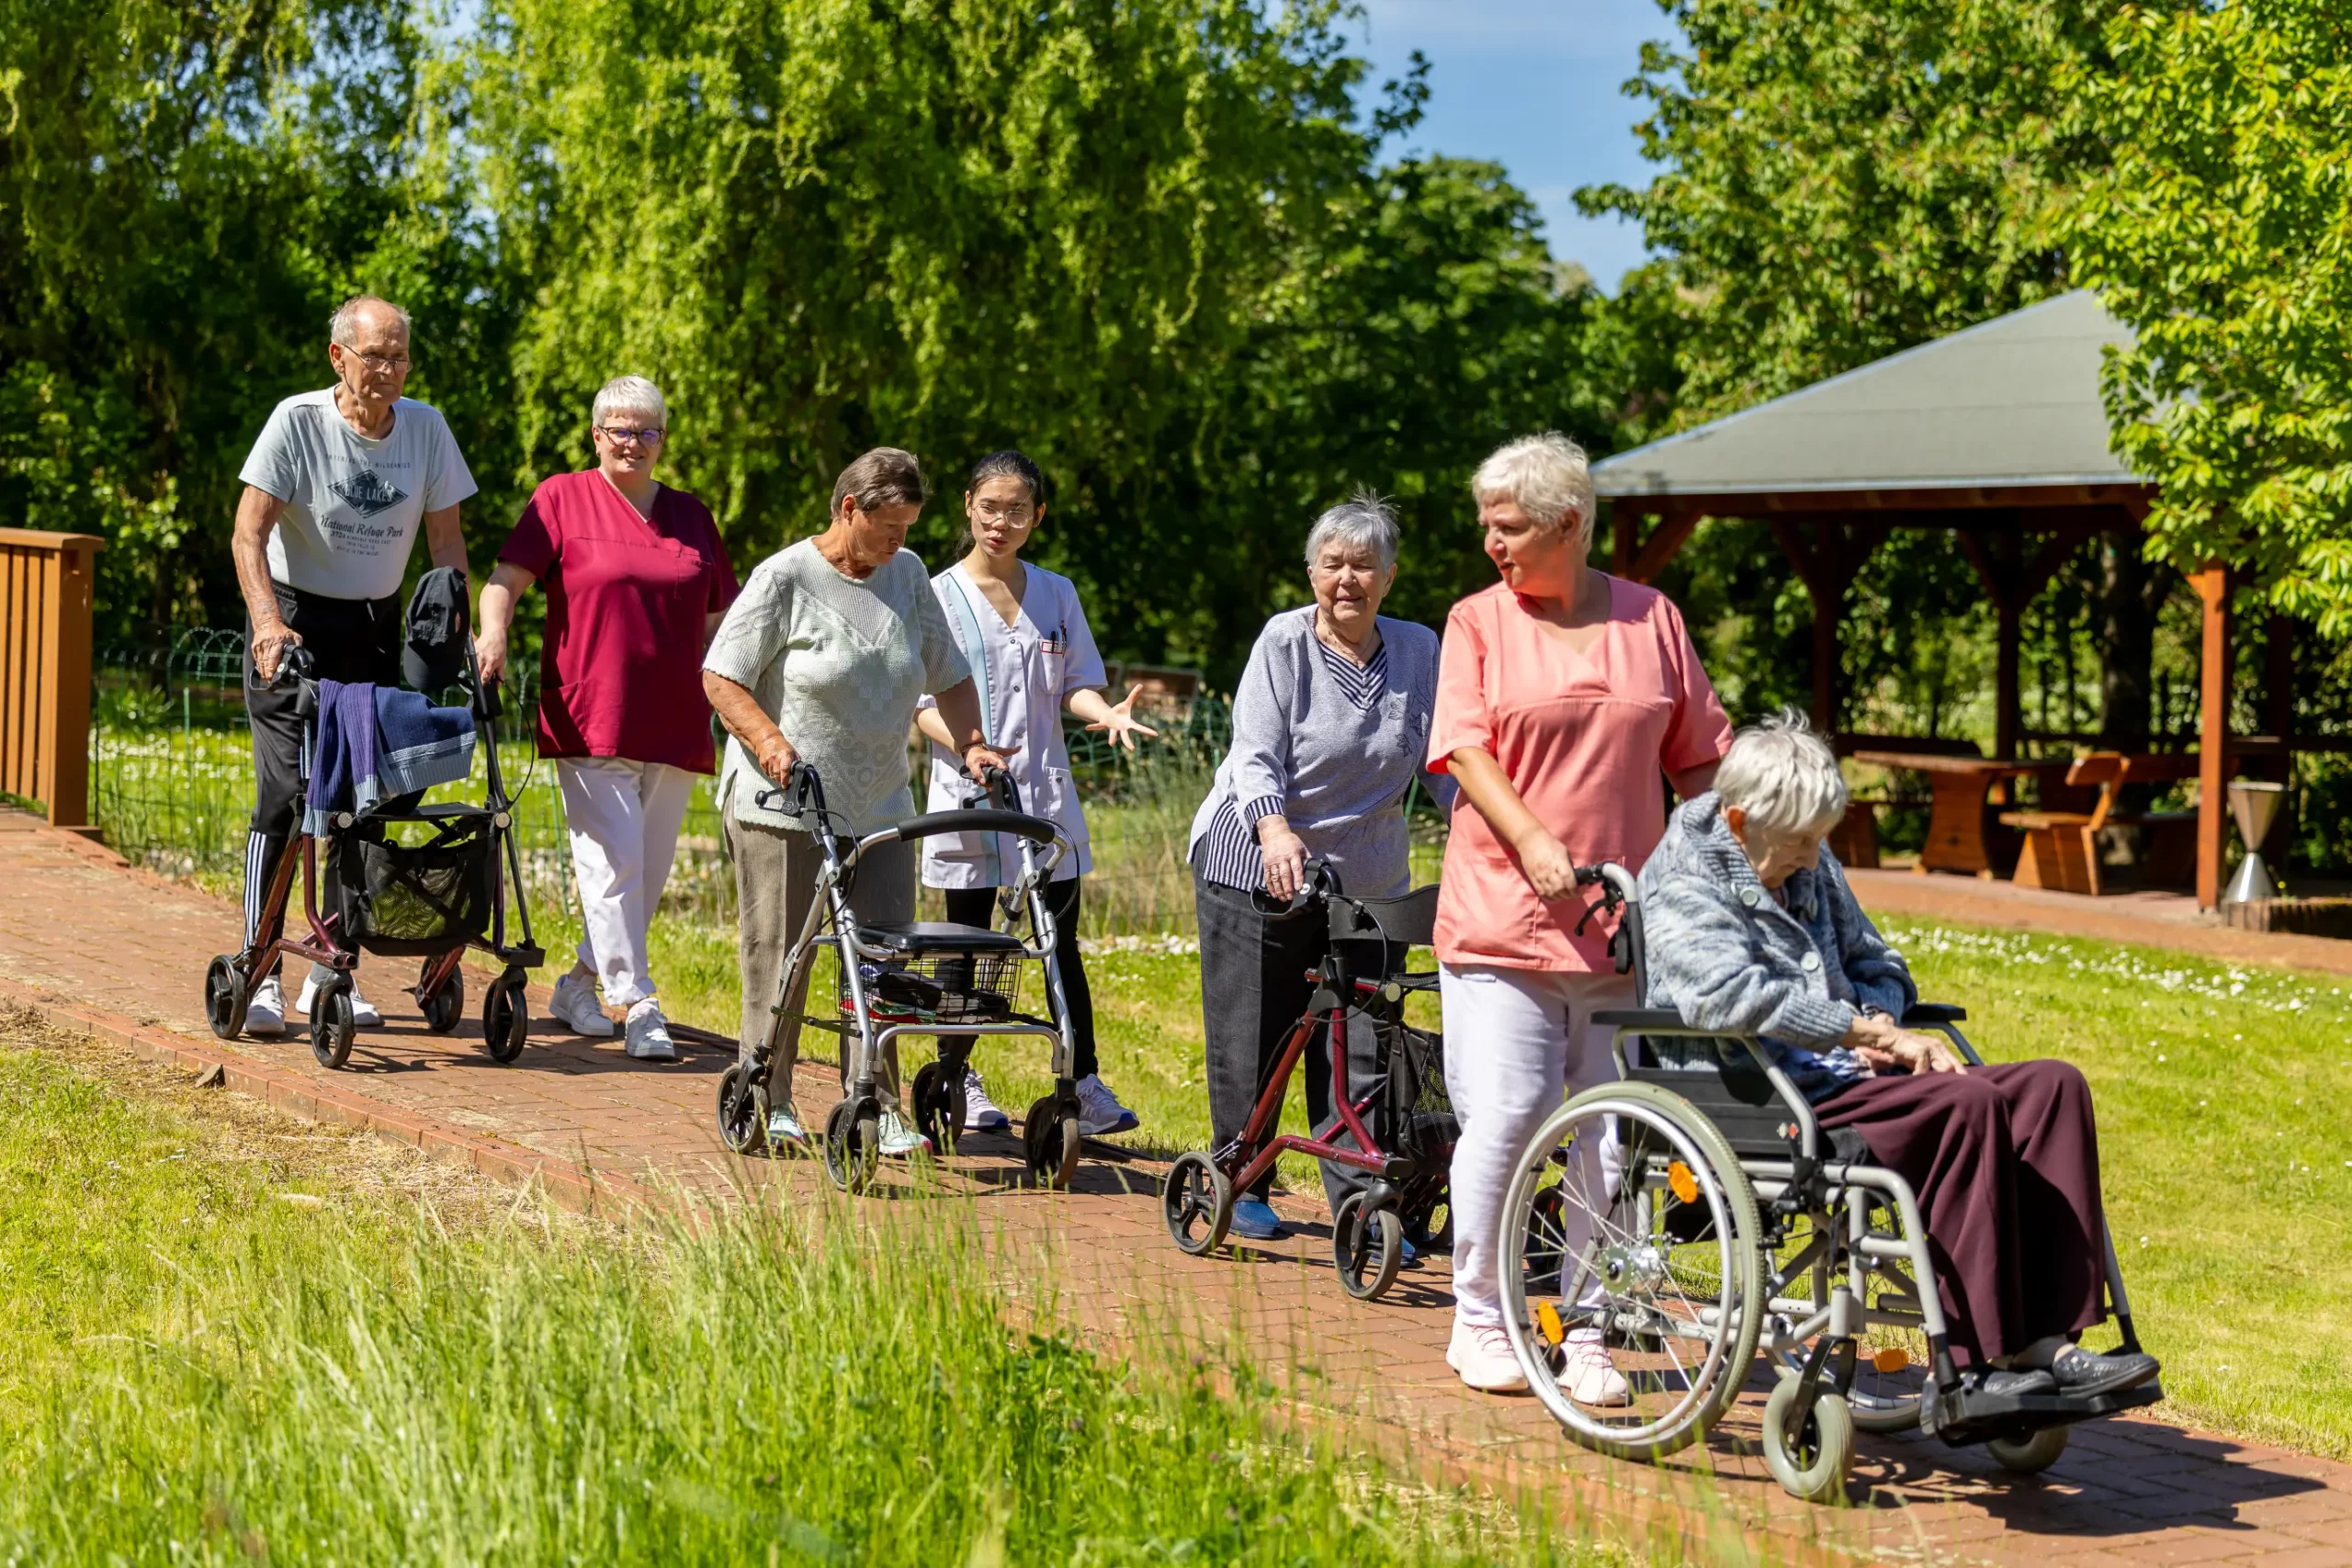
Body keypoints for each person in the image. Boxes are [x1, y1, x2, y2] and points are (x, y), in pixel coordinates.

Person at [1637, 712, 2161, 1399]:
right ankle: (1983, 1363)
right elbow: (1728, 998)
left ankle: (2049, 1343)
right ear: (1738, 823)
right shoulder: (1684, 872)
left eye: (1817, 840)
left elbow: (1876, 958)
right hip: (1766, 1095)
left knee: (2053, 1087)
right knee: (1966, 1102)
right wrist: (1870, 1034)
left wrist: (1882, 1012)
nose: (1809, 857)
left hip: (1850, 1074)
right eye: (1799, 842)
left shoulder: (1806, 854)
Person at [1430, 432, 1731, 1398]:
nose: (1491, 543)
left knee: (1610, 1134)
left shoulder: (1653, 620)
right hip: (1502, 917)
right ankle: (1479, 1318)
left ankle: (1589, 1332)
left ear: (1567, 524)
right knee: (1513, 1115)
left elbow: (1699, 763)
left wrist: (1728, 865)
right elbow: (1466, 754)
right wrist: (1531, 841)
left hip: (1619, 921)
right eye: (1485, 525)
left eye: (1507, 526)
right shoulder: (1477, 623)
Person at [701, 447, 1008, 1157]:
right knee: (783, 954)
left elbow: (951, 674)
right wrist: (772, 744)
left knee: (883, 961)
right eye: (888, 527)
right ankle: (767, 1090)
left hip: (878, 806)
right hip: (784, 804)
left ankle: (877, 1100)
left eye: (908, 528)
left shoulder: (907, 577)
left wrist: (974, 744)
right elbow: (722, 676)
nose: (899, 543)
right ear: (849, 509)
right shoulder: (786, 576)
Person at [1188, 493, 1442, 1242]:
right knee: (1259, 1028)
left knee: (1363, 1034)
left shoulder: (1420, 649)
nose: (1347, 579)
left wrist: (1490, 828)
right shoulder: (1284, 642)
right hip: (1257, 855)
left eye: (1364, 564)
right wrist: (1274, 830)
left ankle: (1358, 1192)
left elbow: (1443, 762)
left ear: (1390, 577)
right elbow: (1255, 754)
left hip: (1366, 876)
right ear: (1311, 572)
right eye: (1332, 563)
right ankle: (1241, 1176)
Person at [230, 295, 476, 1037]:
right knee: (287, 794)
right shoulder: (298, 422)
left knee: (363, 795)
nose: (392, 370)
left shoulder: (427, 429)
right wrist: (268, 623)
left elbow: (447, 545)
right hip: (295, 624)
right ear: (339, 357)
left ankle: (329, 964)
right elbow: (248, 534)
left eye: (401, 356)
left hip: (374, 625)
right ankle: (259, 964)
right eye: (377, 356)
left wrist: (458, 633)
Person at [473, 376, 739, 1061]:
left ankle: (580, 983)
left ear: (663, 441)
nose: (632, 441)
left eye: (646, 430)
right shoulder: (561, 498)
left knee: (644, 872)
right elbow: (504, 582)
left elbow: (720, 619)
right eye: (618, 429)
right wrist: (493, 637)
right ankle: (638, 999)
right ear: (596, 435)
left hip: (677, 716)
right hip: (589, 708)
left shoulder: (692, 516)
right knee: (613, 862)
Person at [913, 450, 1156, 1138]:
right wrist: (967, 746)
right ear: (967, 505)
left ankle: (1082, 1079)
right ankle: (958, 1075)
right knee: (967, 943)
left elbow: (1075, 680)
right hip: (969, 795)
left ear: (1037, 516)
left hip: (1045, 799)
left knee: (1060, 944)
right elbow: (920, 703)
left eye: (1017, 510)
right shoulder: (936, 594)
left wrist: (1102, 712)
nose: (1001, 521)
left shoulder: (1056, 593)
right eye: (990, 507)